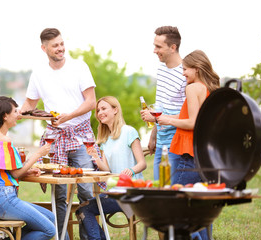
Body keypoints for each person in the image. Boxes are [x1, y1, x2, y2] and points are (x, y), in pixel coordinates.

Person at [21, 28, 97, 240]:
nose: (61, 48)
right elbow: (30, 103)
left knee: (86, 192)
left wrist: (68, 116)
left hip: (81, 137)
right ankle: (60, 237)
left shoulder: (79, 67)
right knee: (60, 194)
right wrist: (16, 111)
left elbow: (91, 102)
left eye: (62, 43)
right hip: (55, 137)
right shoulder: (39, 73)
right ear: (44, 48)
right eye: (55, 45)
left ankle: (90, 237)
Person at [157, 50, 220, 240]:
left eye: (185, 69)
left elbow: (192, 123)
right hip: (204, 157)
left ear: (197, 68)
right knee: (199, 211)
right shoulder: (208, 88)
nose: (183, 73)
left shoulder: (192, 89)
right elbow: (189, 116)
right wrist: (163, 117)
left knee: (179, 208)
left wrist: (168, 122)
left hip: (188, 153)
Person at [0, 96, 56, 240]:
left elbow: (3, 172)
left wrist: (28, 170)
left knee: (50, 217)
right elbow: (16, 173)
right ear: (5, 116)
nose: (18, 114)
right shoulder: (5, 141)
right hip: (3, 199)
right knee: (49, 230)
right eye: (15, 111)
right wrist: (38, 154)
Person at [76, 96, 147, 240]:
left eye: (104, 108)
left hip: (132, 192)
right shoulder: (104, 140)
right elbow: (106, 170)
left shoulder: (129, 131)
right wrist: (95, 156)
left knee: (85, 209)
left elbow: (142, 163)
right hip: (115, 192)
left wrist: (131, 170)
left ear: (115, 110)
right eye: (98, 110)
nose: (100, 112)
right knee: (82, 209)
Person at [140, 26, 187, 184]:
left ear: (173, 47)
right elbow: (160, 107)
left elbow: (188, 115)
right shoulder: (161, 69)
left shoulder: (186, 73)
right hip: (161, 142)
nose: (154, 50)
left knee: (171, 193)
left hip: (177, 143)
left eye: (158, 46)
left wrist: (156, 118)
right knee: (159, 191)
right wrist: (153, 135)